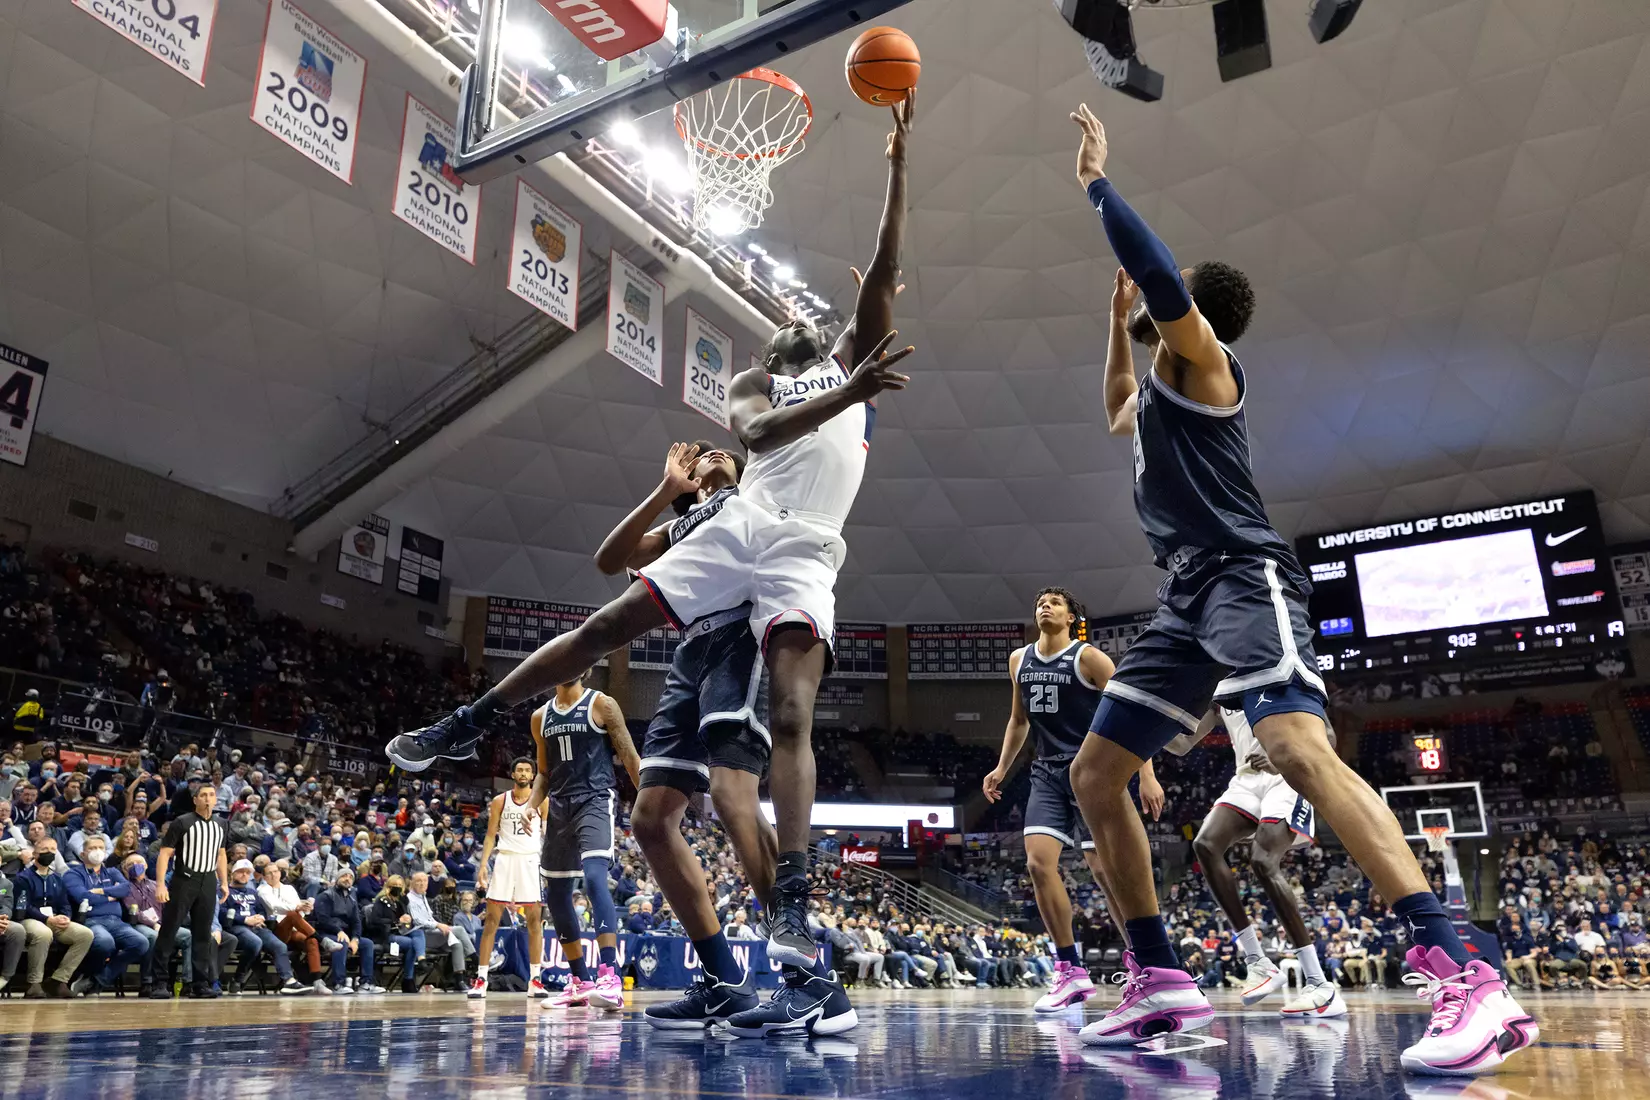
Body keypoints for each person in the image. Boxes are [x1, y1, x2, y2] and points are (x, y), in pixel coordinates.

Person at [385, 93, 917, 1034]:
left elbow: (884, 266)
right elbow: (757, 431)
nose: (791, 316)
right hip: (745, 524)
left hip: (802, 548)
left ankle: (791, 912)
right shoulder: (762, 383)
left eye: (814, 314)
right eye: (780, 318)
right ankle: (470, 721)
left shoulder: (855, 367)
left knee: (792, 714)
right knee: (603, 630)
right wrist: (843, 399)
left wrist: (897, 163)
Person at [1061, 102, 1535, 1073]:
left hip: (1245, 575)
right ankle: (1158, 977)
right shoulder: (1157, 397)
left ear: (1195, 312)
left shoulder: (1207, 367)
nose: (1156, 298)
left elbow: (1159, 278)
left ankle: (1465, 972)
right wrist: (1114, 326)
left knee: (1292, 742)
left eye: (1169, 296)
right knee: (1096, 773)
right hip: (1185, 597)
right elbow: (1116, 406)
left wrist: (1100, 185)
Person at [595, 440, 783, 1029]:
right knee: (649, 819)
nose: (717, 454)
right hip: (690, 654)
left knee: (734, 800)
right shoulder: (680, 527)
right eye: (705, 454)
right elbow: (610, 559)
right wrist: (665, 491)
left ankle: (808, 975)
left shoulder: (757, 496)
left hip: (740, 640)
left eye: (728, 450)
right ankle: (725, 978)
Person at [982, 585, 1163, 1014]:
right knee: (1037, 864)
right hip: (1046, 772)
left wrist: (1148, 775)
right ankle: (1069, 969)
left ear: (1070, 617)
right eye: (1039, 601)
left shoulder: (1090, 658)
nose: (1044, 605)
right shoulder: (1018, 660)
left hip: (1093, 771)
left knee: (1103, 870)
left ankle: (1144, 961)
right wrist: (1001, 768)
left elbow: (1132, 712)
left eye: (1054, 603)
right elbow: (1018, 720)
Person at [1183, 706, 1344, 1017]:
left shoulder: (1280, 663)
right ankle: (1259, 963)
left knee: (1263, 862)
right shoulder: (1221, 689)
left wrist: (1283, 759)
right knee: (1205, 845)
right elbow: (1181, 742)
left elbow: (1329, 735)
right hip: (1245, 780)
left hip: (1285, 775)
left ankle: (1319, 983)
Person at [528, 673, 636, 1010]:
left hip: (594, 798)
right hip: (558, 805)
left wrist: (647, 806)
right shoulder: (540, 716)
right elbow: (544, 773)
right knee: (556, 893)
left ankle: (610, 976)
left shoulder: (601, 704)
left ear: (585, 668)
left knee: (592, 878)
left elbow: (630, 756)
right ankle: (579, 980)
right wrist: (532, 806)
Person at [470, 757, 549, 1000]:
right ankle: (481, 979)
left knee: (535, 921)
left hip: (529, 860)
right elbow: (490, 835)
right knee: (491, 920)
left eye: (528, 770)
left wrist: (547, 865)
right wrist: (483, 866)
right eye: (520, 770)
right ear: (513, 774)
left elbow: (547, 835)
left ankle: (535, 980)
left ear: (533, 775)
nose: (524, 773)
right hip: (504, 859)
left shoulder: (543, 801)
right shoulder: (499, 801)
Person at [148, 784, 229, 999]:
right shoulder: (182, 822)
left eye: (211, 795)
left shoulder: (222, 824)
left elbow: (221, 855)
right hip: (184, 879)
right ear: (195, 800)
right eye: (203, 795)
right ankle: (159, 982)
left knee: (203, 934)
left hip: (208, 880)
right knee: (169, 930)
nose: (208, 799)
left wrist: (224, 882)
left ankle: (199, 983)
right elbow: (165, 854)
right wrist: (160, 884)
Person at [220, 858, 306, 994]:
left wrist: (260, 917)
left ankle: (288, 981)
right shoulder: (225, 891)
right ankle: (238, 979)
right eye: (241, 872)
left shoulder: (252, 893)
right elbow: (222, 913)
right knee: (255, 942)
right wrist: (245, 919)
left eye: (248, 873)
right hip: (237, 927)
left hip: (257, 927)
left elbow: (261, 910)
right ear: (233, 874)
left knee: (280, 946)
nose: (244, 875)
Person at [258, 862, 327, 992]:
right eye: (269, 873)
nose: (273, 875)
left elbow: (300, 912)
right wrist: (297, 907)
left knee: (310, 940)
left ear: (280, 873)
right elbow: (274, 906)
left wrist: (305, 908)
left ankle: (318, 981)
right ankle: (322, 940)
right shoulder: (262, 890)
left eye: (276, 871)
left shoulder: (289, 888)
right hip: (276, 931)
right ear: (264, 877)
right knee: (291, 915)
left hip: (294, 929)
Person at [312, 868, 383, 994]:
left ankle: (366, 983)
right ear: (337, 879)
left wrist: (355, 938)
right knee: (342, 944)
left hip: (345, 934)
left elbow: (356, 922)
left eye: (350, 877)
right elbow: (322, 919)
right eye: (344, 876)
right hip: (325, 933)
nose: (347, 879)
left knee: (367, 944)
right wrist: (338, 930)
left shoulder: (352, 899)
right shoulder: (326, 895)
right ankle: (338, 984)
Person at [408, 871, 472, 992]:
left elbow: (430, 918)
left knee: (457, 944)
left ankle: (460, 981)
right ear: (412, 883)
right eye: (419, 881)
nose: (422, 884)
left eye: (424, 881)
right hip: (422, 936)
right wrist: (438, 925)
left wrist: (438, 926)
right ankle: (474, 958)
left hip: (434, 933)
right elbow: (417, 921)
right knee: (459, 929)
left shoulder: (423, 897)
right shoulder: (410, 899)